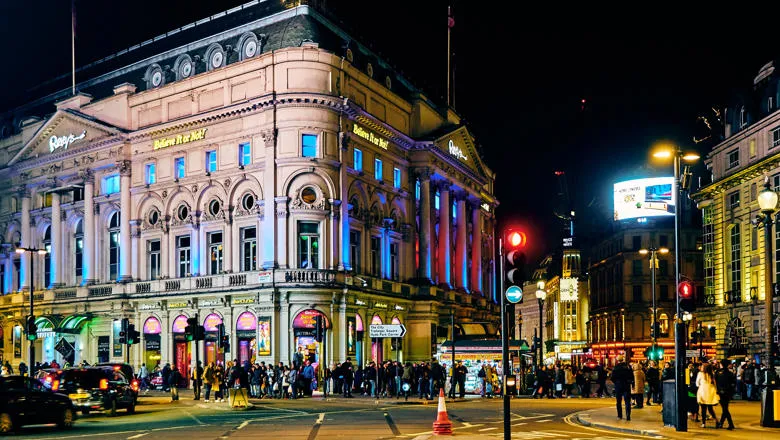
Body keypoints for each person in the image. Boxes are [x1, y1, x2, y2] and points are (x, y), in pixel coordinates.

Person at [611, 355, 634, 421]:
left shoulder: (616, 367)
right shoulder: (628, 367)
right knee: (627, 401)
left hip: (618, 385)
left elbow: (613, 377)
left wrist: (616, 382)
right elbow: (632, 377)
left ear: (617, 360)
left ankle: (619, 415)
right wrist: (631, 384)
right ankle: (628, 415)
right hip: (626, 385)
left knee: (618, 401)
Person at [696, 363, 719, 428]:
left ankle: (703, 423)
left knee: (703, 408)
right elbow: (715, 384)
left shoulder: (700, 374)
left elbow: (697, 383)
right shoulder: (712, 374)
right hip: (710, 392)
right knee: (710, 408)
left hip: (703, 391)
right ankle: (716, 420)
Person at [715, 359, 736, 430]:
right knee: (725, 408)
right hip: (728, 393)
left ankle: (730, 424)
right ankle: (723, 423)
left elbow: (715, 383)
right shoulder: (730, 373)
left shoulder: (717, 372)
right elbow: (733, 383)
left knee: (725, 409)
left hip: (720, 392)